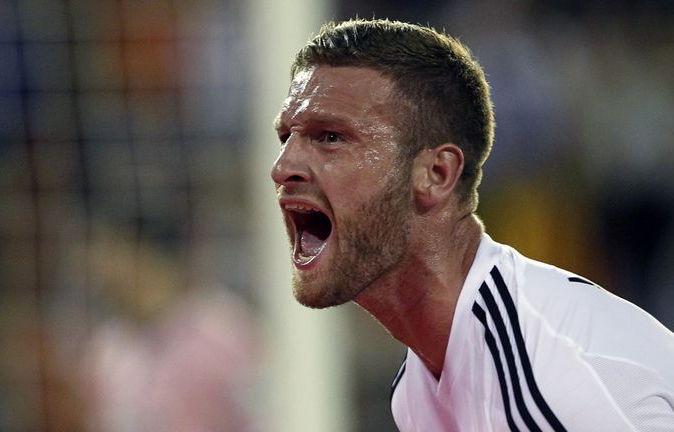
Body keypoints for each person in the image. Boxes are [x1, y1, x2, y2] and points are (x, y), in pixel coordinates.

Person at [269, 18, 674, 431]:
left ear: (437, 174)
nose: (282, 168)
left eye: (330, 137)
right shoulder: (419, 385)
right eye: (287, 137)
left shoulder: (544, 381)